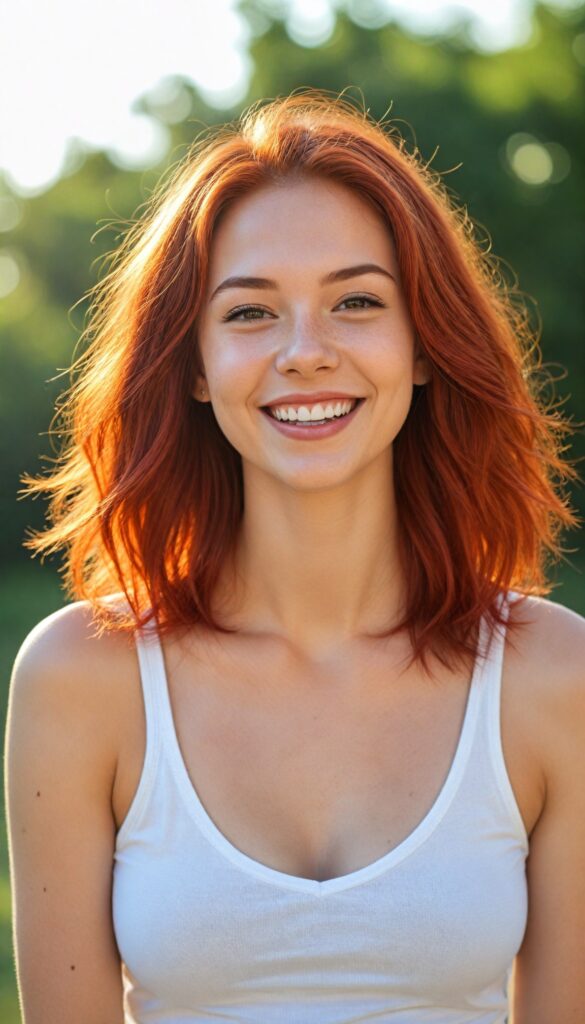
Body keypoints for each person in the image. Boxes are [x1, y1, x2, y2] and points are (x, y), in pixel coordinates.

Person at [4, 90, 584, 1024]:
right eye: (249, 314)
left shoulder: (554, 677)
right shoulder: (83, 679)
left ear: (424, 344)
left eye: (356, 302)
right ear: (192, 366)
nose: (305, 353)